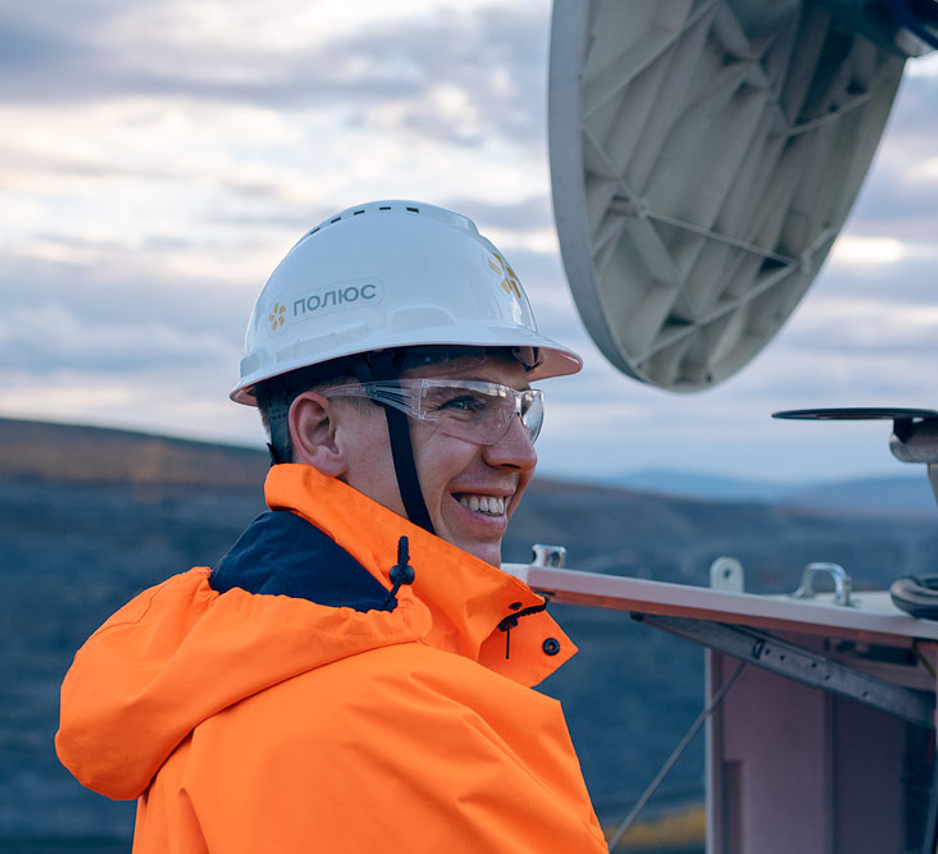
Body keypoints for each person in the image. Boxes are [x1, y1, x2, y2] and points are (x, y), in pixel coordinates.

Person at [56, 200, 609, 852]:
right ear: (320, 432)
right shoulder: (402, 725)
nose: (520, 452)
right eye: (465, 402)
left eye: (521, 408)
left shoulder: (220, 664)